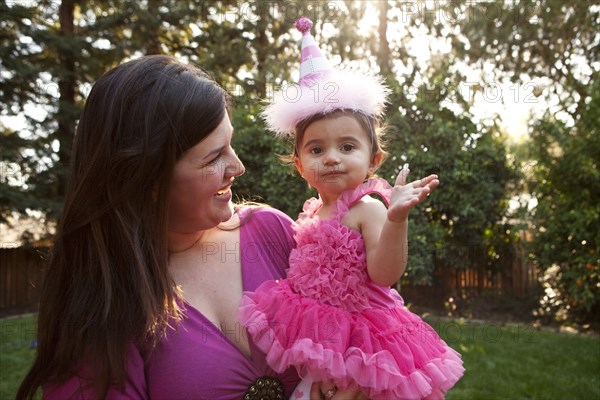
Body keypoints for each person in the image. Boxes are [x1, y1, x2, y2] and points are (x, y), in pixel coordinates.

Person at [17, 55, 368, 400]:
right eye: (214, 157)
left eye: (230, 145)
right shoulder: (104, 308)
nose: (238, 166)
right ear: (147, 177)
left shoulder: (272, 232)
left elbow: (360, 320)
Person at [239, 18, 465, 400]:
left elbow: (384, 273)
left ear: (372, 159)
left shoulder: (367, 209)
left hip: (367, 339)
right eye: (316, 149)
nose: (331, 158)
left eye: (347, 147)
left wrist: (396, 219)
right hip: (326, 338)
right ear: (299, 164)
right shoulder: (311, 213)